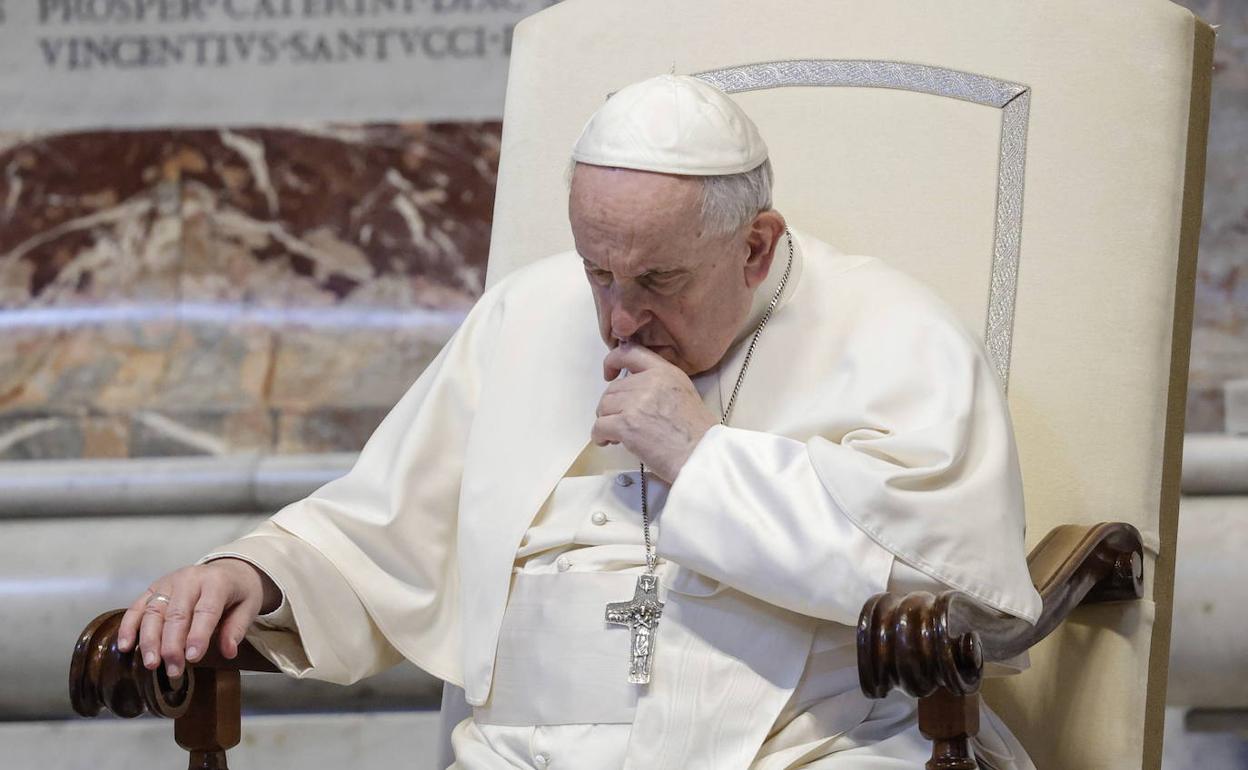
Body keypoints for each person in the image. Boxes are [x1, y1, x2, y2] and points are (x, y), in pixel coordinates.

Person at [117, 74, 1042, 768]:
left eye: (657, 281)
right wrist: (257, 572)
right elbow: (387, 526)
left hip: (807, 755)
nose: (615, 320)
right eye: (597, 271)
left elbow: (956, 583)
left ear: (756, 246)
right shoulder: (526, 315)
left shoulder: (893, 331)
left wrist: (705, 459)